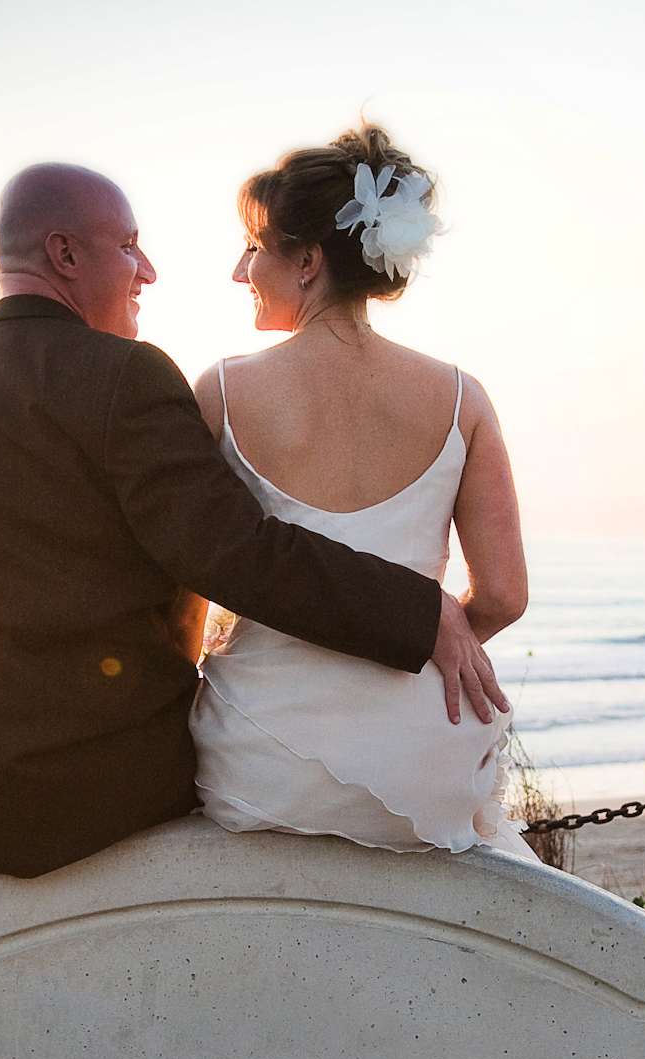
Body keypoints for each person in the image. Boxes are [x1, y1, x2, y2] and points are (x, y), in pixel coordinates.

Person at [0, 163, 507, 894]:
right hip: (109, 801)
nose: (147, 271)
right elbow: (231, 554)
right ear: (63, 255)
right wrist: (418, 609)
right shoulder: (127, 378)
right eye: (128, 246)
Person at [190, 126, 535, 860]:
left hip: (263, 757)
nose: (238, 269)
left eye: (254, 248)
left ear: (308, 261)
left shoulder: (221, 390)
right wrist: (435, 648)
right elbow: (503, 596)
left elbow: (193, 569)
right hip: (426, 759)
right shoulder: (462, 399)